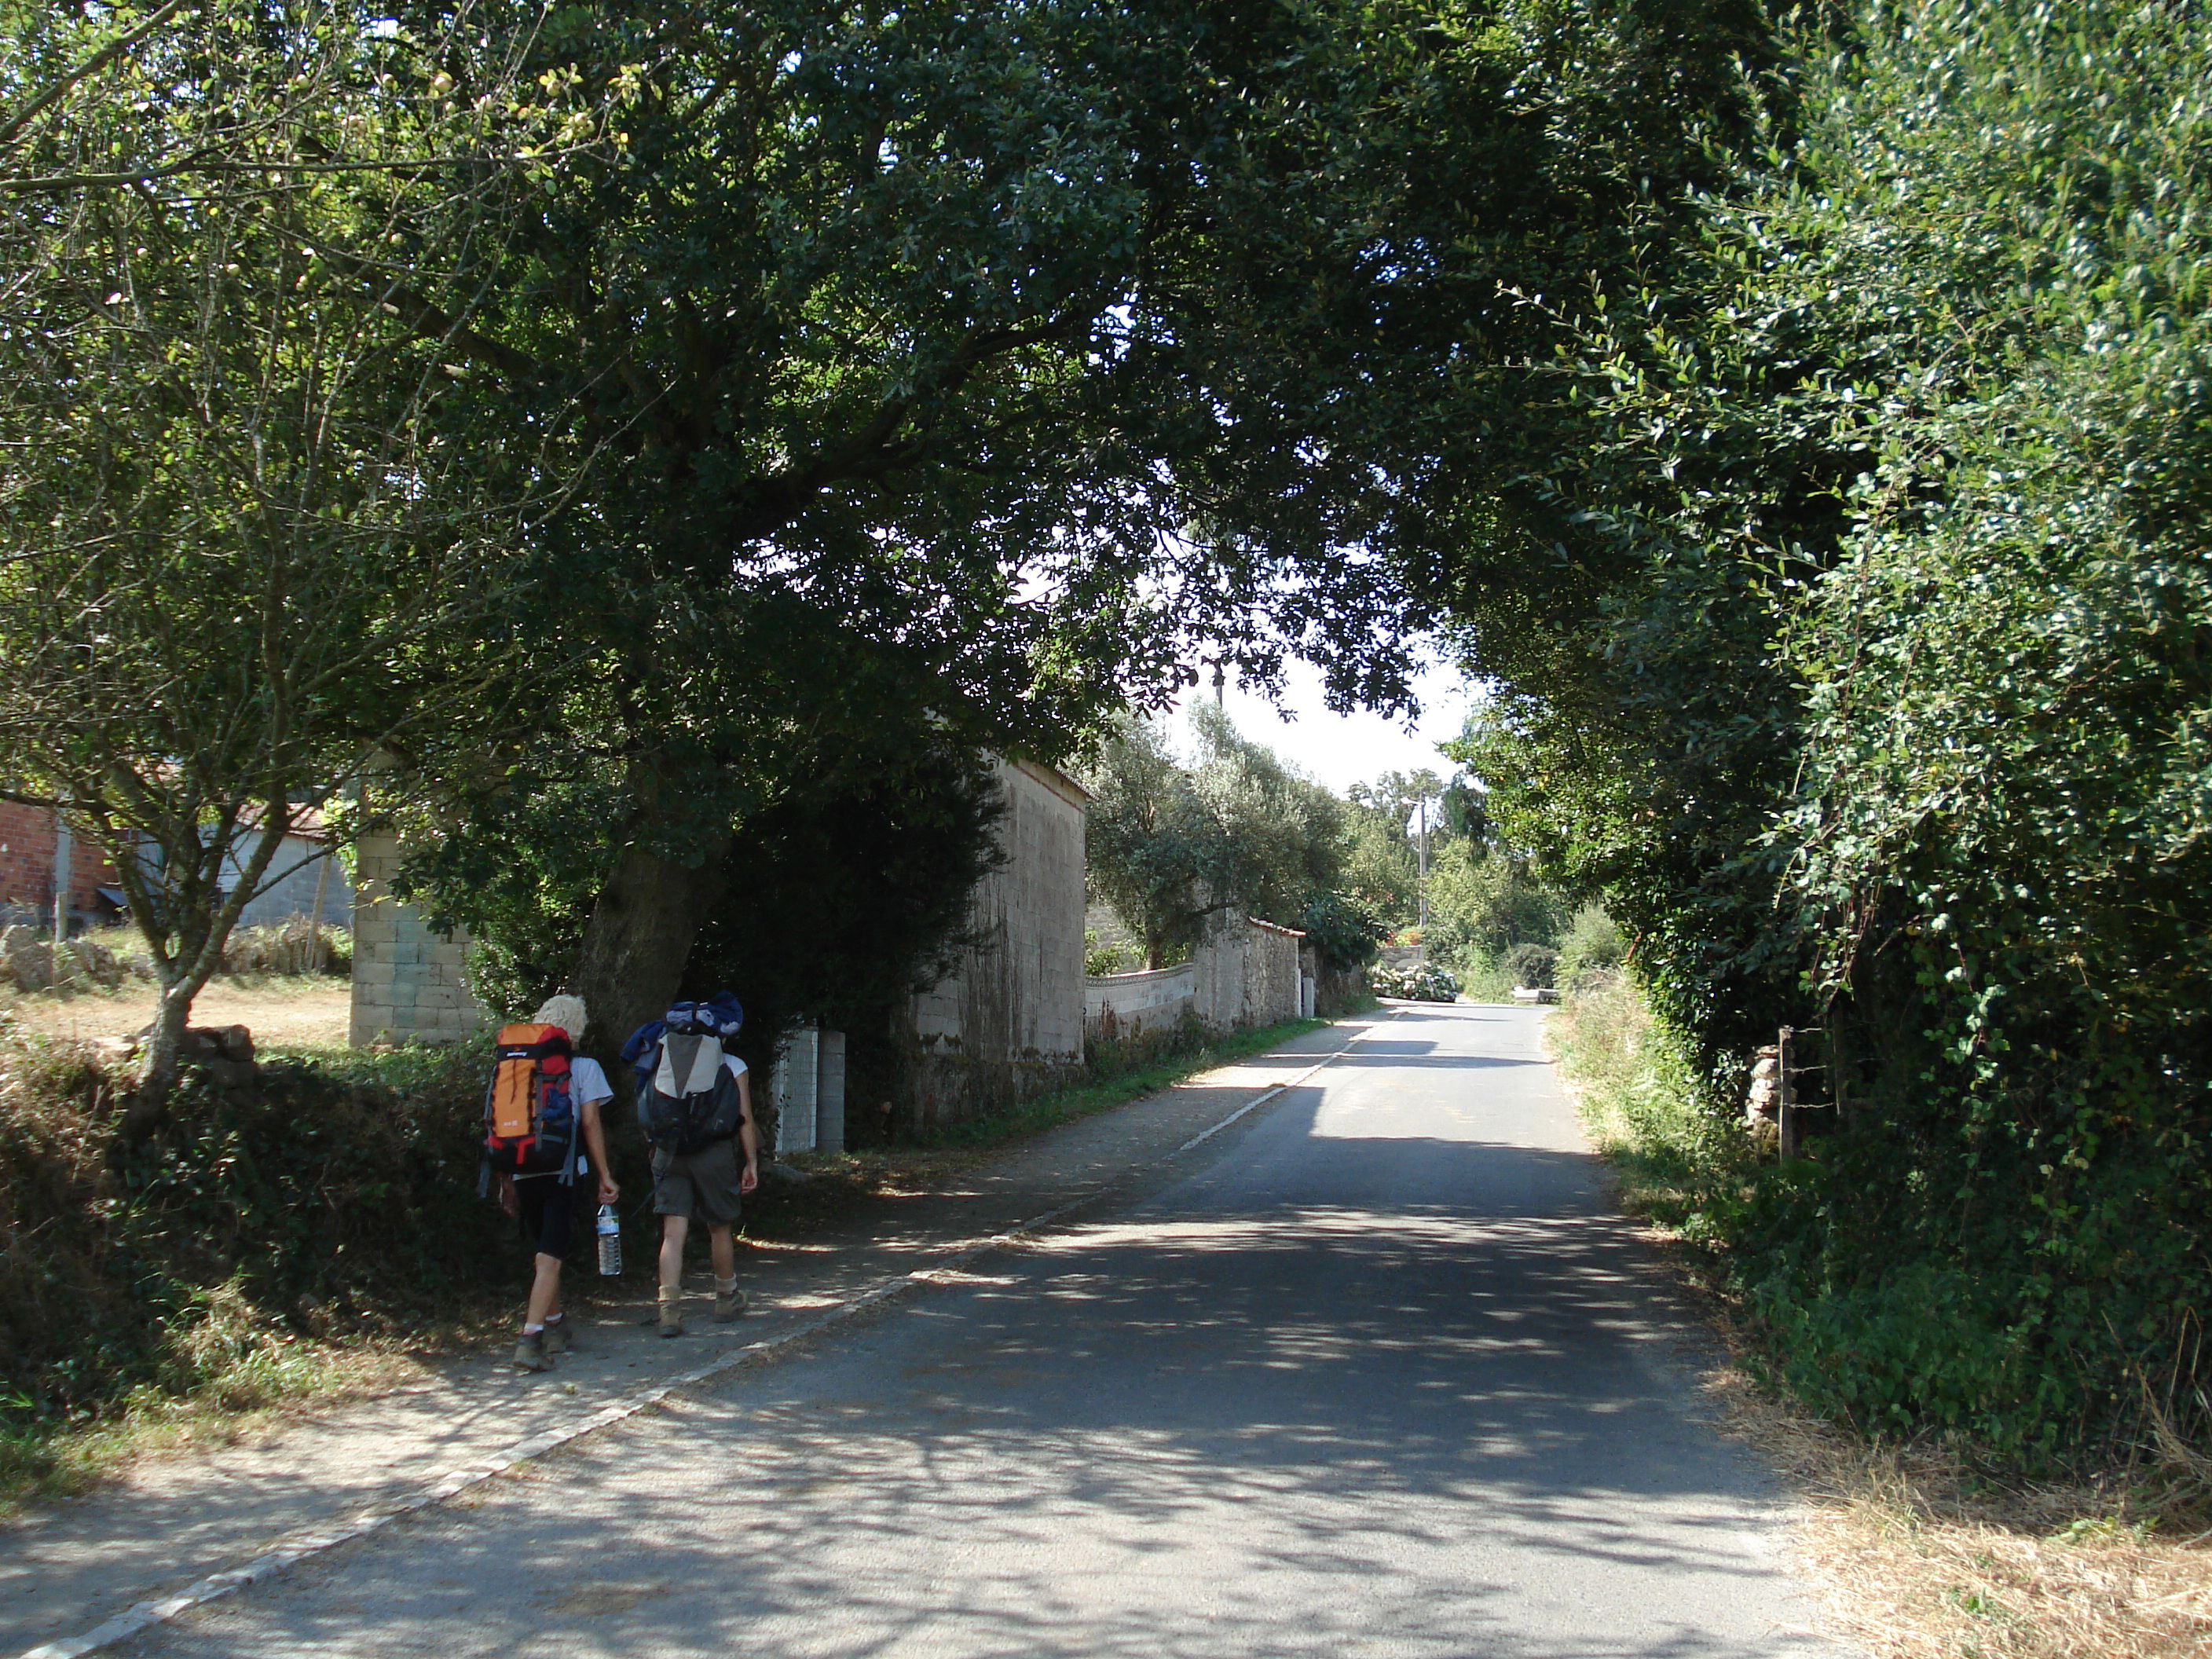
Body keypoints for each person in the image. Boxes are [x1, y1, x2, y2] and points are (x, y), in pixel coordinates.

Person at [495, 994, 617, 1372]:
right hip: (564, 1173)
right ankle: (529, 1340)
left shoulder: (514, 1065)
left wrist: (506, 1181)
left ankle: (554, 1325)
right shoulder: (586, 1068)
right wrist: (605, 1175)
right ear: (578, 1027)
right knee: (550, 1257)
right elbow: (591, 1124)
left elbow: (499, 1123)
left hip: (520, 1169)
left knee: (544, 1254)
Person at [631, 998, 760, 1337]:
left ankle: (669, 1311)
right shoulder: (733, 1064)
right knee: (719, 1227)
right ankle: (726, 1297)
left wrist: (654, 1146)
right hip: (714, 1153)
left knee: (673, 1234)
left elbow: (647, 1106)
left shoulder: (663, 1057)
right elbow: (744, 1119)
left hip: (669, 1152)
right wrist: (752, 1162)